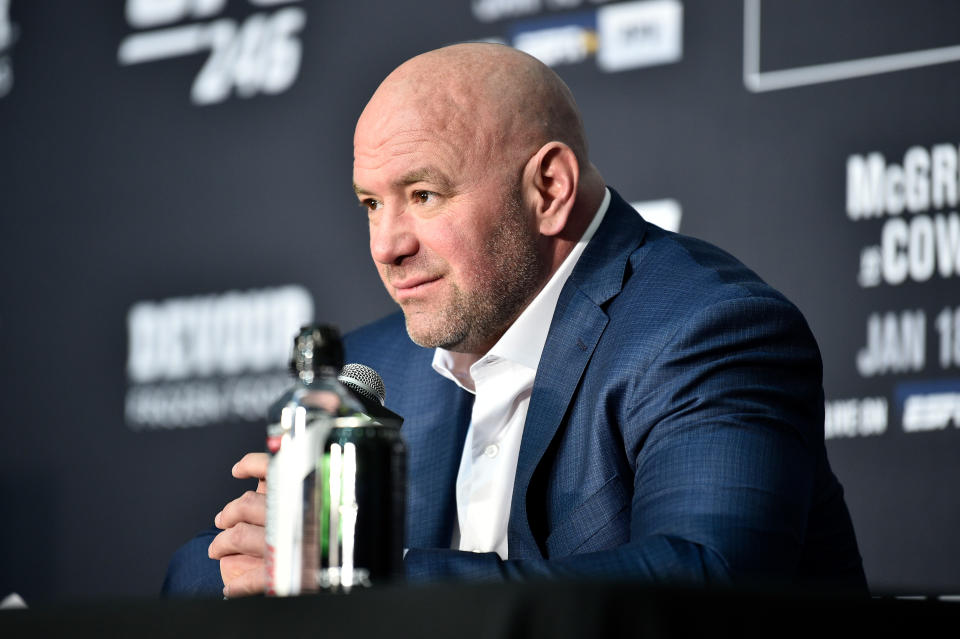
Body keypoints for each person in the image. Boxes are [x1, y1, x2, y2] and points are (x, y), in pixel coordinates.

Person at [163, 43, 866, 597]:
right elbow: (207, 572)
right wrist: (279, 565)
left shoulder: (707, 330)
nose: (387, 245)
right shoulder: (375, 371)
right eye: (371, 204)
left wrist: (358, 577)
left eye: (424, 193)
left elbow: (708, 587)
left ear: (549, 189)